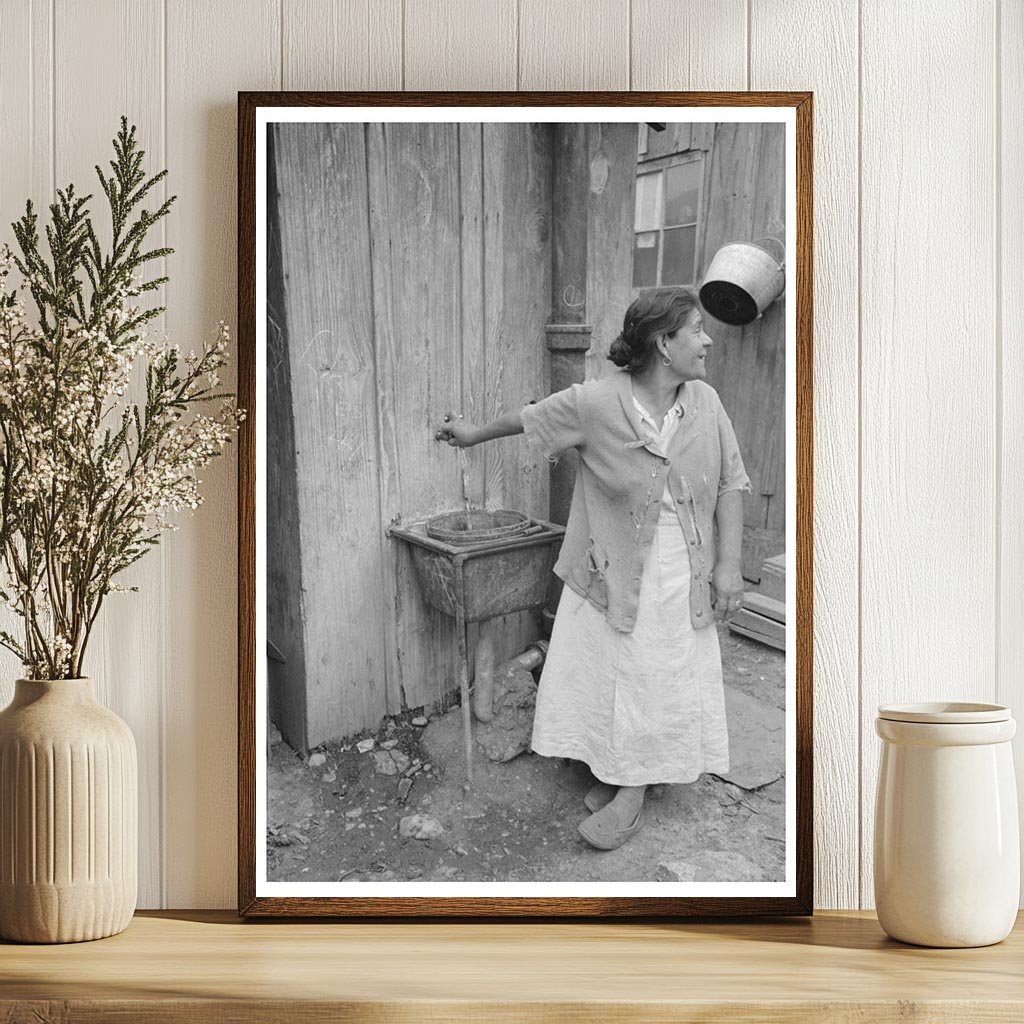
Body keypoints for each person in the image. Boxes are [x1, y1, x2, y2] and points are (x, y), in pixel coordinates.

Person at [434, 286, 750, 851]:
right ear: (663, 343)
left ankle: (631, 792)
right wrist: (472, 434)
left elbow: (730, 482)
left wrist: (728, 565)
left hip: (682, 570)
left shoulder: (706, 402)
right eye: (696, 330)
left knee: (658, 676)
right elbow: (527, 420)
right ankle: (620, 771)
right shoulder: (597, 403)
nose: (706, 340)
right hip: (612, 568)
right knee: (615, 676)